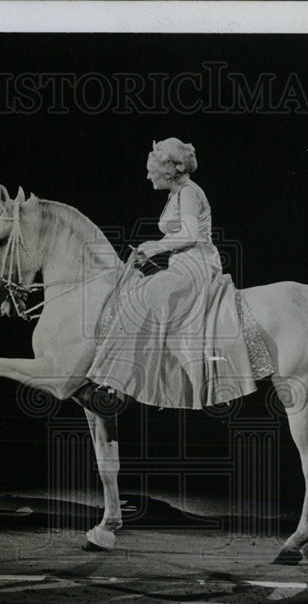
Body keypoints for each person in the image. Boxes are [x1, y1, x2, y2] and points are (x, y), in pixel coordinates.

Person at [85, 138, 259, 409]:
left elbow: (190, 233)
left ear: (169, 169)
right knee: (135, 288)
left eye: (151, 169)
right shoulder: (176, 194)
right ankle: (135, 375)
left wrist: (155, 247)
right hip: (182, 263)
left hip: (198, 264)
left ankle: (129, 376)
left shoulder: (189, 191)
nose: (148, 175)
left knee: (149, 292)